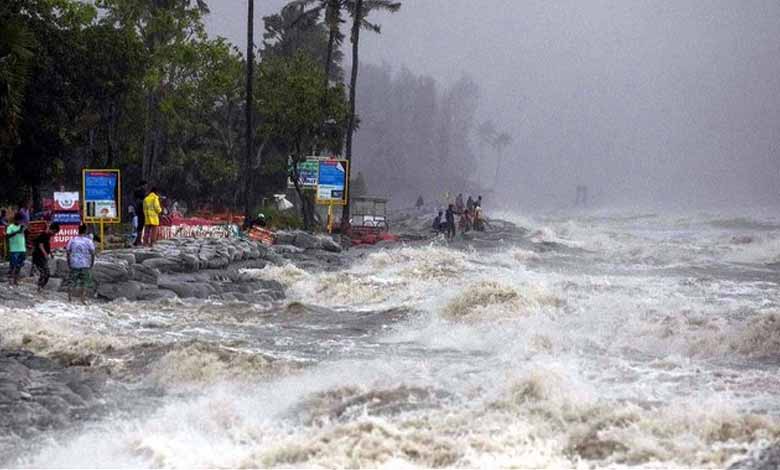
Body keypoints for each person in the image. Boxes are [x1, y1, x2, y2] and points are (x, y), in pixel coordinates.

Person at [66, 224, 95, 304]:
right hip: (85, 264)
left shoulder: (72, 240)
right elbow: (92, 253)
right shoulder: (88, 241)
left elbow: (68, 252)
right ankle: (82, 299)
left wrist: (69, 262)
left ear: (78, 230)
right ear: (85, 231)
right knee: (84, 282)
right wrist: (91, 264)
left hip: (74, 264)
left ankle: (69, 299)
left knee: (72, 281)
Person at [33, 223, 59, 291]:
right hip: (38, 257)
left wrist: (50, 253)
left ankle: (40, 287)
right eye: (54, 232)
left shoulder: (47, 236)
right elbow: (40, 245)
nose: (54, 234)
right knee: (45, 273)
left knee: (46, 273)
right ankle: (39, 287)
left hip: (42, 257)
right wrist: (45, 254)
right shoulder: (43, 235)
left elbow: (46, 246)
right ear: (52, 230)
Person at [6, 213, 26, 286]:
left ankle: (16, 279)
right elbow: (7, 236)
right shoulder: (10, 227)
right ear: (16, 220)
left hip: (22, 249)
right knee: (13, 265)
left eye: (22, 221)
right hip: (14, 249)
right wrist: (17, 231)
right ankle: (10, 280)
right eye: (20, 220)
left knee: (19, 265)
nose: (21, 222)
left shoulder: (22, 227)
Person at [132, 180, 147, 246]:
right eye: (145, 185)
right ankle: (138, 241)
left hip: (139, 210)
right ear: (143, 185)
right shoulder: (141, 192)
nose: (146, 186)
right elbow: (141, 200)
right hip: (141, 210)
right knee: (140, 226)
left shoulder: (137, 191)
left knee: (140, 226)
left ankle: (138, 240)